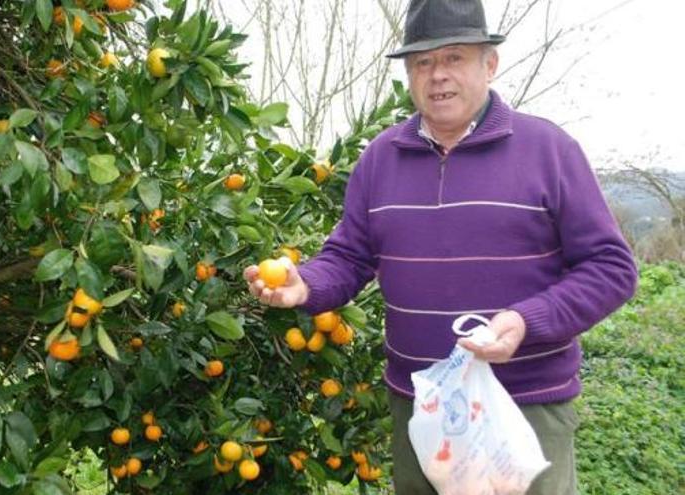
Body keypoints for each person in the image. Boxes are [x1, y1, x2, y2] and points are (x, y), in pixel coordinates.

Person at [243, 0, 638, 493]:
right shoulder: (380, 159)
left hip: (525, 405)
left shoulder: (549, 151)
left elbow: (611, 268)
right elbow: (349, 255)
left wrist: (524, 322)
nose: (437, 76)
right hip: (421, 406)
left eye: (454, 57)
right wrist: (307, 285)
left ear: (489, 64)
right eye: (423, 62)